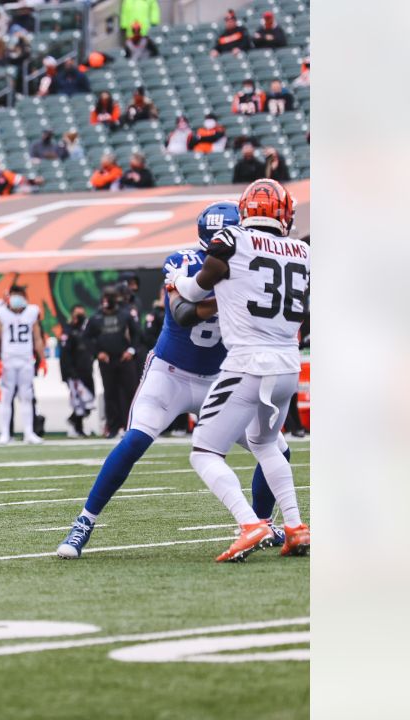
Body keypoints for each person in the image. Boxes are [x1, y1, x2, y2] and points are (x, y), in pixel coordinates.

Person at [56, 201, 293, 559]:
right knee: (134, 442)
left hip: (221, 377)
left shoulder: (251, 265)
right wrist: (227, 298)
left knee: (277, 449)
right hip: (171, 373)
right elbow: (182, 313)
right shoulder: (184, 261)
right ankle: (83, 523)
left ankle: (259, 524)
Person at [170, 180, 310, 562]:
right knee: (266, 444)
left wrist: (176, 282)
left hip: (248, 361)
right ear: (283, 214)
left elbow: (196, 291)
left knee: (204, 452)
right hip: (287, 364)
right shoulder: (304, 251)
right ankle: (296, 527)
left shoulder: (231, 239)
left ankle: (250, 523)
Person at [85, 286, 142, 438]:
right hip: (107, 360)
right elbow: (87, 338)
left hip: (124, 358)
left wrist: (131, 350)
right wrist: (98, 353)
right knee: (110, 393)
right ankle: (113, 426)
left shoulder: (125, 315)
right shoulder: (96, 318)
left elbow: (137, 333)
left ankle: (131, 425)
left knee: (130, 391)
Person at [0, 286, 45, 444]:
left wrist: (42, 359)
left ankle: (29, 432)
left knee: (27, 396)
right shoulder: (1, 313)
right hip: (8, 359)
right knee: (6, 397)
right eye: (14, 295)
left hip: (26, 359)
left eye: (19, 295)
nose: (16, 298)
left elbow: (38, 338)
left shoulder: (32, 312)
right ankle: (5, 433)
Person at [59, 305, 96, 437]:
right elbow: (65, 354)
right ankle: (78, 427)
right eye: (77, 314)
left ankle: (73, 421)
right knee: (79, 402)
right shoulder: (68, 331)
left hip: (87, 370)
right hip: (74, 372)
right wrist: (69, 372)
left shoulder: (86, 331)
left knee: (90, 400)